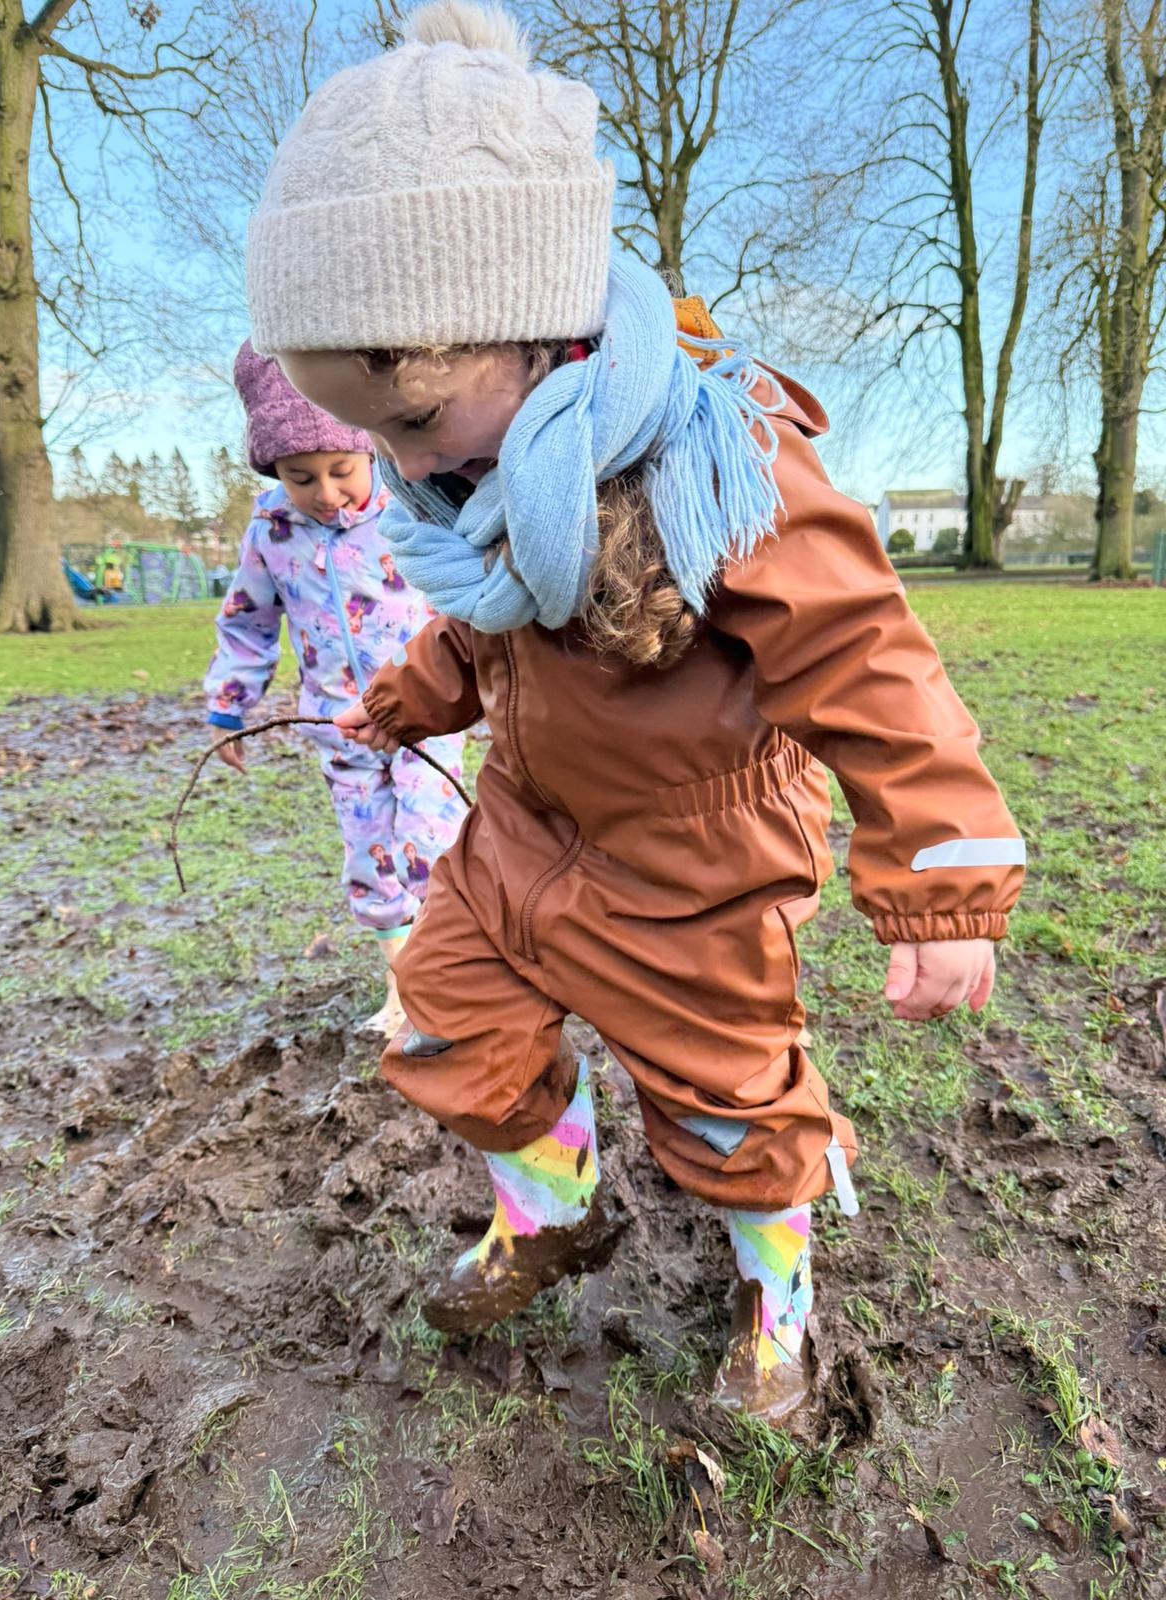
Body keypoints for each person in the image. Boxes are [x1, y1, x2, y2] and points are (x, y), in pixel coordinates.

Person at [244, 1, 1025, 1423]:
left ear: (533, 327)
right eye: (368, 433)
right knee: (444, 1022)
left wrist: (944, 874)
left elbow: (865, 653)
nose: (398, 466)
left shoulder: (722, 456)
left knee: (729, 1104)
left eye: (408, 422)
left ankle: (776, 1299)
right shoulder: (477, 473)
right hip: (523, 833)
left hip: (691, 865)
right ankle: (554, 1208)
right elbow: (484, 625)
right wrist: (410, 696)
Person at [203, 341, 467, 1036]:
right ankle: (402, 990)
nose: (325, 493)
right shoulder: (271, 529)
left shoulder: (412, 507)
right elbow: (248, 621)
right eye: (301, 477)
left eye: (341, 470)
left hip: (423, 715)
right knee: (370, 860)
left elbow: (461, 600)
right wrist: (229, 707)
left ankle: (452, 983)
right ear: (274, 471)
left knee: (431, 844)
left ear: (369, 449)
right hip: (335, 725)